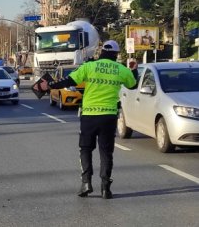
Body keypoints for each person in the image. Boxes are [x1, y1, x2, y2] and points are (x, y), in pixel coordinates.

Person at [36, 40, 138, 199]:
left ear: (101, 52)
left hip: (89, 115)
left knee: (85, 149)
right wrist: (134, 70)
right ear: (116, 55)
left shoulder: (89, 67)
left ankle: (86, 183)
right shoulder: (121, 69)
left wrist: (49, 85)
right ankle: (105, 187)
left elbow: (68, 81)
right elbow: (132, 85)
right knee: (106, 152)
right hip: (109, 116)